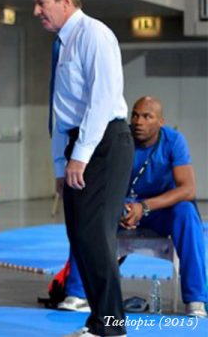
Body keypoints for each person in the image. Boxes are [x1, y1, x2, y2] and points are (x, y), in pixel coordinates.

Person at [31, 0, 133, 337]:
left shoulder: (95, 35)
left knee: (95, 236)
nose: (36, 11)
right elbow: (62, 113)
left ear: (65, 1)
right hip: (80, 144)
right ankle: (98, 321)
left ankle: (113, 327)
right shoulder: (63, 43)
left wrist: (81, 155)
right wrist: (62, 164)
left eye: (42, 3)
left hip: (105, 143)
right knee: (80, 237)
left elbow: (102, 101)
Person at [60, 97, 207, 318]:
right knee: (89, 214)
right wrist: (118, 208)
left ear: (161, 122)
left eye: (147, 116)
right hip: (119, 207)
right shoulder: (118, 139)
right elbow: (96, 182)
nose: (139, 121)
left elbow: (188, 189)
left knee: (186, 212)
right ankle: (77, 294)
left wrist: (144, 207)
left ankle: (196, 299)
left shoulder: (173, 141)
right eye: (136, 115)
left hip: (157, 210)